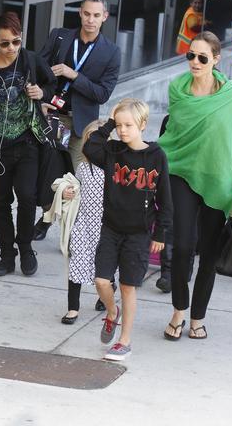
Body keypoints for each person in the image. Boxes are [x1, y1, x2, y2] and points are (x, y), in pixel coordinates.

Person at [160, 31, 232, 341]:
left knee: (209, 253)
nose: (195, 62)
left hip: (218, 178)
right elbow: (174, 136)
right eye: (191, 56)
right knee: (183, 246)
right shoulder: (177, 90)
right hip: (181, 171)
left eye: (202, 57)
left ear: (216, 60)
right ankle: (178, 311)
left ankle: (197, 317)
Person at [0, 12, 56, 277]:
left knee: (27, 197)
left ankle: (26, 248)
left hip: (28, 141)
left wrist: (42, 93)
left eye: (16, 42)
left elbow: (51, 83)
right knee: (1, 201)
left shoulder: (30, 60)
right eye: (5, 43)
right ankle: (7, 255)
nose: (11, 49)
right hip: (0, 146)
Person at [82, 98, 172, 361]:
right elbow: (90, 147)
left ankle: (124, 340)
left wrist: (160, 233)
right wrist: (108, 122)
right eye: (119, 125)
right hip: (111, 229)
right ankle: (112, 313)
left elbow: (164, 199)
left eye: (128, 125)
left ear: (143, 125)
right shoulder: (111, 151)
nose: (122, 130)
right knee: (101, 281)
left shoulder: (156, 156)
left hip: (139, 233)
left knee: (128, 287)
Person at [33, 0, 121, 241]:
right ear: (80, 13)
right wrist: (41, 99)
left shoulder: (111, 52)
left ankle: (76, 227)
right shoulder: (60, 36)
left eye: (96, 15)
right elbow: (38, 67)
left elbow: (102, 93)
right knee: (49, 170)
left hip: (83, 123)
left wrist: (74, 76)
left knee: (82, 178)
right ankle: (47, 216)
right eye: (86, 14)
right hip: (54, 117)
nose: (90, 20)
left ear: (104, 16)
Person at [46, 120, 105, 325]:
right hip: (83, 225)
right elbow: (76, 187)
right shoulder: (82, 167)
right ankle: (73, 308)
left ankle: (105, 295)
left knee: (105, 269)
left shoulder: (114, 170)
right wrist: (68, 191)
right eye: (89, 140)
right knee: (76, 264)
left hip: (106, 227)